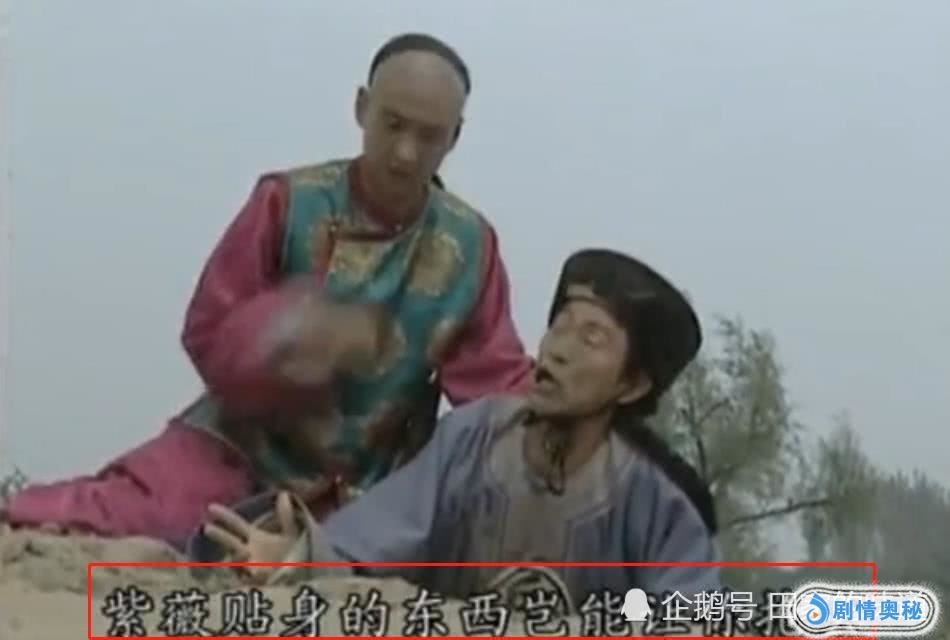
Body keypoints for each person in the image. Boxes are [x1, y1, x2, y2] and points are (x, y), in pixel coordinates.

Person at [2, 33, 533, 548]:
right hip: (243, 452)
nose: (405, 153)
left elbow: (493, 381)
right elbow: (207, 328)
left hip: (373, 482)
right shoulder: (288, 201)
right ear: (361, 107)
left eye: (429, 136)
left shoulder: (470, 246)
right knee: (132, 512)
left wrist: (563, 411)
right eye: (392, 124)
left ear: (455, 137)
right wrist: (295, 331)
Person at [191, 248, 722, 610]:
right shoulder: (473, 438)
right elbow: (372, 544)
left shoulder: (657, 502)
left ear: (631, 385)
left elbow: (694, 615)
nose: (558, 349)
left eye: (591, 338)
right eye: (560, 326)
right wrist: (302, 557)